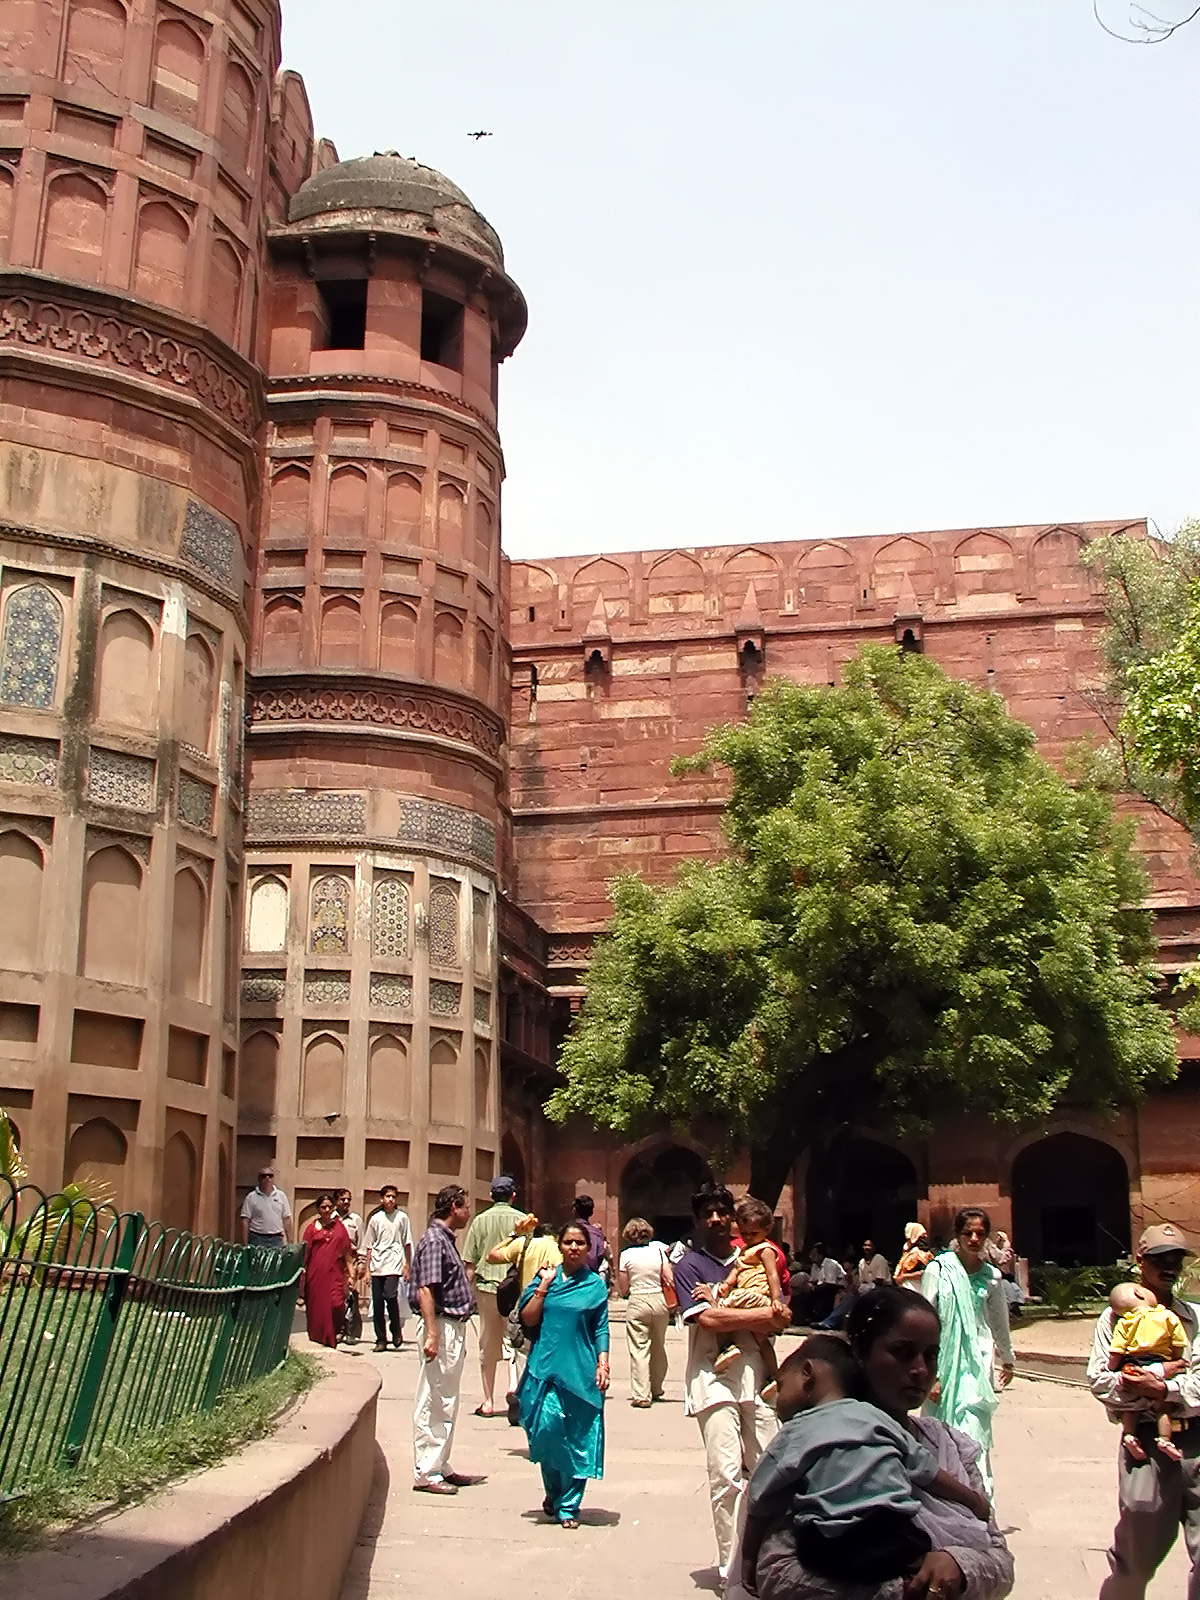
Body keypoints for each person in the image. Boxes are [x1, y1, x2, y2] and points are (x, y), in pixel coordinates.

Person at [746, 1286, 1015, 1600]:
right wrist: (899, 1591)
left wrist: (957, 1565)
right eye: (902, 1352)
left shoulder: (951, 1446)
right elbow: (774, 1573)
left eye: (931, 1355)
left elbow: (1000, 1563)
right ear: (861, 1353)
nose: (921, 1370)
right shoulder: (814, 1450)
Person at [674, 1181, 791, 1584]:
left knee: (769, 1469)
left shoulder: (755, 1256)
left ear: (735, 1218)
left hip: (756, 1375)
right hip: (712, 1377)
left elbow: (782, 1310)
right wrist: (763, 1317)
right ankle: (733, 1570)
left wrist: (765, 1315)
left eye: (722, 1212)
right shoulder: (690, 1265)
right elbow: (708, 1319)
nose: (716, 1219)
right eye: (707, 1213)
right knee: (726, 1476)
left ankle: (769, 1562)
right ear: (697, 1220)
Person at [1087, 1221, 1200, 1599]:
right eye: (1161, 1259)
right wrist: (1145, 1388)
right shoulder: (1114, 1318)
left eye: (1176, 1260)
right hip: (1146, 1444)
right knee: (1134, 1558)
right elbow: (1100, 1381)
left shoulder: (1194, 1318)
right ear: (1140, 1260)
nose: (1170, 1267)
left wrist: (1165, 1388)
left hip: (1197, 1438)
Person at [516, 1220, 610, 1528]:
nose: (574, 1247)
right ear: (560, 1245)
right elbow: (528, 1318)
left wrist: (603, 1363)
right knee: (548, 1430)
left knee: (579, 1438)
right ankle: (554, 1492)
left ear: (588, 1248)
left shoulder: (595, 1285)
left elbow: (600, 1327)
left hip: (581, 1373)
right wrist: (543, 1286)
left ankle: (568, 1506)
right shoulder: (546, 1277)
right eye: (568, 1242)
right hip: (545, 1369)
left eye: (580, 1243)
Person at [920, 1208, 1014, 1499]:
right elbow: (925, 1319)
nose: (974, 1239)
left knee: (975, 1436)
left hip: (977, 1364)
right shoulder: (938, 1270)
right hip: (943, 1365)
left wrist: (1008, 1357)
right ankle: (944, 1503)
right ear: (957, 1235)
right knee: (941, 1435)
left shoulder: (992, 1277)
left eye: (980, 1234)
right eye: (968, 1233)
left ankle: (981, 1502)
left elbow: (998, 1320)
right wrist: (930, 1374)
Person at [409, 1184, 484, 1496]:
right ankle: (426, 1471)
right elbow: (426, 1289)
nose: (468, 1212)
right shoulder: (434, 1241)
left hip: (453, 1326)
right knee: (433, 1398)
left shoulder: (446, 1240)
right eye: (466, 1206)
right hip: (441, 1325)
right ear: (454, 1206)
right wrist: (432, 1333)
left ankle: (440, 1463)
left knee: (447, 1398)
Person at [712, 1195, 788, 1395]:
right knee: (761, 1339)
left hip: (754, 1295)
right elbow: (737, 1270)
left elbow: (772, 1274)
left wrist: (776, 1299)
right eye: (744, 1233)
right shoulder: (745, 1250)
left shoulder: (765, 1249)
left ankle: (727, 1346)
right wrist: (727, 1284)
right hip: (748, 1295)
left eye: (753, 1233)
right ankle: (774, 1376)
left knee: (720, 1312)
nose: (748, 1237)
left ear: (767, 1229)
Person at [461, 1174, 523, 1416]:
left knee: (487, 1343)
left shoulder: (480, 1221)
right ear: (513, 1196)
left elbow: (469, 1262)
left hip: (487, 1288)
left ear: (491, 1196)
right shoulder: (522, 1221)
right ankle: (514, 1386)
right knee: (514, 1338)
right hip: (515, 1288)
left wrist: (465, 1294)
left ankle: (488, 1402)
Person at [1106, 1282, 1188, 1462]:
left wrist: (1111, 1367)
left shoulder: (1125, 1321)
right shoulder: (1167, 1315)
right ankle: (1165, 1440)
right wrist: (1176, 1360)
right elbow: (1178, 1343)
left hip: (1132, 1365)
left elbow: (1116, 1351)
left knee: (1131, 1405)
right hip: (1160, 1363)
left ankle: (1129, 1435)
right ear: (1139, 1293)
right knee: (1163, 1406)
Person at [617, 1216, 673, 1407]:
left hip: (638, 1299)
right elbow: (669, 1277)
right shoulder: (658, 1252)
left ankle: (641, 1394)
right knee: (658, 1346)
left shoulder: (626, 1255)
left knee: (639, 1349)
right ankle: (656, 1387)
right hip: (659, 1300)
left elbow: (623, 1287)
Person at [362, 1183, 413, 1353]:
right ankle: (381, 1339)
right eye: (387, 1196)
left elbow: (407, 1242)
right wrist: (367, 1270)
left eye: (393, 1197)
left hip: (394, 1263)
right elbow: (369, 1245)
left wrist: (407, 1265)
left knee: (391, 1296)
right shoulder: (375, 1219)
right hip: (377, 1264)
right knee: (377, 1303)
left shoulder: (402, 1218)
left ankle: (396, 1329)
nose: (390, 1199)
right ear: (382, 1199)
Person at [300, 1192, 354, 1348]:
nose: (327, 1210)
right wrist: (302, 1273)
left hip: (335, 1274)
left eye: (330, 1207)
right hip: (316, 1275)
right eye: (323, 1207)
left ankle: (335, 1330)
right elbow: (305, 1253)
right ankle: (322, 1337)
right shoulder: (311, 1229)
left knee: (337, 1304)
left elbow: (347, 1252)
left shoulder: (339, 1228)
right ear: (318, 1209)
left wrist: (351, 1274)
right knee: (318, 1307)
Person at [335, 1187, 364, 1343]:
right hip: (334, 1262)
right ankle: (337, 1329)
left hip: (350, 1261)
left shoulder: (355, 1220)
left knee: (350, 1296)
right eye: (342, 1199)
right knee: (336, 1297)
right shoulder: (331, 1219)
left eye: (348, 1199)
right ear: (336, 1201)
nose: (346, 1202)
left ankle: (350, 1331)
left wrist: (361, 1264)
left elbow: (361, 1243)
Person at [240, 1166, 292, 1248]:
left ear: (273, 1178)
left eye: (270, 1176)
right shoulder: (251, 1197)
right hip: (257, 1238)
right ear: (259, 1179)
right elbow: (245, 1220)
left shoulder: (281, 1196)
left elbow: (287, 1219)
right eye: (264, 1176)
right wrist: (245, 1244)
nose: (267, 1178)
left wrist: (290, 1242)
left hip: (276, 1239)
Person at [573, 1194, 612, 1280]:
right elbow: (600, 1254)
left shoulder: (567, 1231)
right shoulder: (597, 1234)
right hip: (591, 1278)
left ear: (574, 1210)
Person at [807, 1244, 846, 1324]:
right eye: (811, 1254)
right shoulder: (814, 1265)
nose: (811, 1256)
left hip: (837, 1287)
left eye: (814, 1254)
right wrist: (810, 1285)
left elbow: (830, 1283)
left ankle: (823, 1318)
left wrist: (815, 1287)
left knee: (825, 1292)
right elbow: (813, 1279)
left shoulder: (830, 1264)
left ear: (821, 1255)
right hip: (822, 1286)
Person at [895, 1224, 935, 1295]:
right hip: (906, 1289)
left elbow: (923, 1272)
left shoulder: (921, 1252)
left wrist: (904, 1277)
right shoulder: (910, 1251)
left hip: (915, 1290)